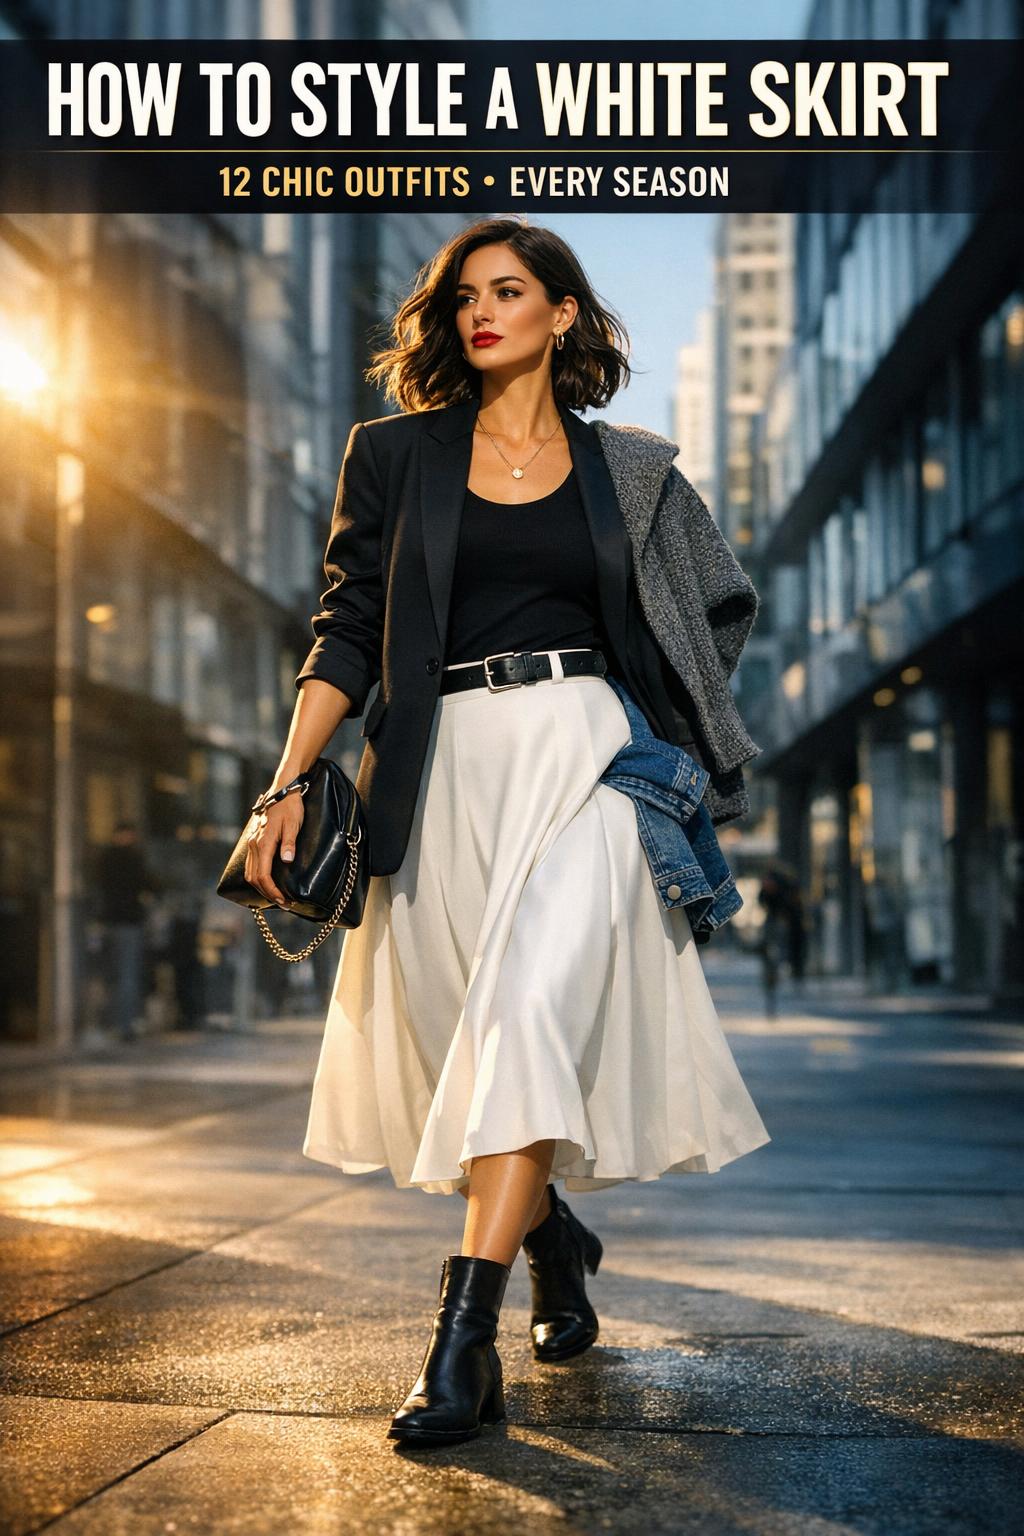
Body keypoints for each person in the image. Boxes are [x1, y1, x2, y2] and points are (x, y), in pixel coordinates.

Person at [244, 217, 770, 1448]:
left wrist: (682, 739)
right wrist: (285, 782)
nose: (483, 312)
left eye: (510, 291)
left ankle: (460, 1343)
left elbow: (714, 606)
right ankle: (556, 1240)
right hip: (434, 774)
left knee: (523, 1013)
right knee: (458, 1047)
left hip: (589, 759)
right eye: (465, 296)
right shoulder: (393, 455)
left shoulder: (629, 469)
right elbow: (349, 624)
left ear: (562, 313)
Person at [97, 820, 155, 1042]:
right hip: (128, 922)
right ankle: (124, 1026)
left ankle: (110, 1023)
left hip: (108, 921)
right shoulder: (132, 858)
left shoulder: (104, 859)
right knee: (127, 974)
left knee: (111, 973)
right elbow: (148, 884)